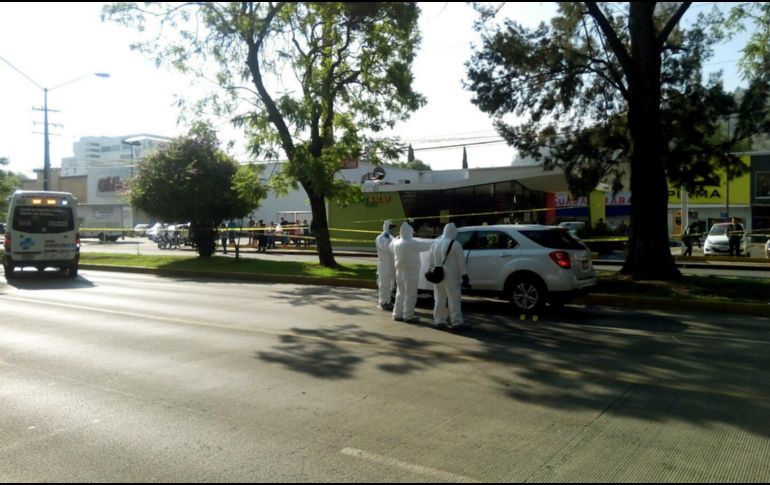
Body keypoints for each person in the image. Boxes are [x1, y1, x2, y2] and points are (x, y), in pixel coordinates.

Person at [429, 222, 470, 330]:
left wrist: (432, 270)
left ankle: (439, 320)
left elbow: (430, 261)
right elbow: (461, 262)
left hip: (437, 274)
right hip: (451, 276)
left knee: (439, 298)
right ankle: (456, 321)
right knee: (453, 299)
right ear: (453, 232)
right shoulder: (455, 244)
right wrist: (464, 275)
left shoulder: (435, 243)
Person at [390, 222, 433, 323]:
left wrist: (396, 239)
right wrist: (439, 240)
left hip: (399, 272)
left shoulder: (396, 243)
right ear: (409, 232)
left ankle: (397, 314)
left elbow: (390, 246)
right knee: (410, 294)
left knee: (400, 293)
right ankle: (408, 316)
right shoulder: (413, 243)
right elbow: (428, 245)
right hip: (411, 273)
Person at [375, 220, 397, 311]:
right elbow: (384, 249)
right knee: (384, 283)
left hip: (391, 264)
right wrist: (388, 240)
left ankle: (388, 301)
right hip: (384, 263)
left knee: (391, 284)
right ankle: (382, 302)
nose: (391, 229)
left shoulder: (391, 237)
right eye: (390, 227)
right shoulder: (380, 237)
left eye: (392, 227)